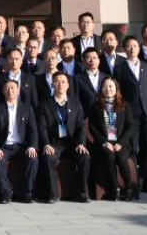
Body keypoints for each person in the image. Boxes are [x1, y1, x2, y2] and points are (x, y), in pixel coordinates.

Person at [37, 72, 90, 203]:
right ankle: (53, 194)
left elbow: (81, 126)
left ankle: (82, 193)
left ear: (67, 85)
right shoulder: (45, 104)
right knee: (48, 157)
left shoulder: (75, 103)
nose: (60, 85)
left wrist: (81, 143)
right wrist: (46, 144)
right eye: (57, 82)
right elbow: (42, 128)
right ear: (52, 85)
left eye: (63, 82)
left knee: (85, 157)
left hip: (72, 143)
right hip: (54, 143)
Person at [116, 36, 147, 193]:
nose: (132, 48)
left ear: (139, 48)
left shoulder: (146, 66)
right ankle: (134, 182)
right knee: (132, 147)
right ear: (124, 49)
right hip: (130, 113)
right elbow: (119, 92)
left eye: (134, 45)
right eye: (128, 46)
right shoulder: (120, 68)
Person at [0, 80, 38, 204]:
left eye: (13, 88)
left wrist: (32, 146)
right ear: (3, 91)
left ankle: (27, 192)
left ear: (18, 91)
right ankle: (6, 192)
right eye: (7, 88)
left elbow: (33, 131)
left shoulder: (26, 108)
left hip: (22, 146)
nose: (10, 91)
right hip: (4, 146)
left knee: (33, 159)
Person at [88, 77, 137, 201]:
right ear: (101, 89)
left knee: (121, 158)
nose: (108, 89)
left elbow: (130, 126)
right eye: (105, 86)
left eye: (111, 86)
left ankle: (129, 188)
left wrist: (120, 143)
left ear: (116, 88)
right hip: (104, 143)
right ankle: (115, 188)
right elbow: (92, 127)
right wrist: (104, 142)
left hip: (121, 142)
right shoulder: (96, 106)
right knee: (109, 157)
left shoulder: (125, 105)